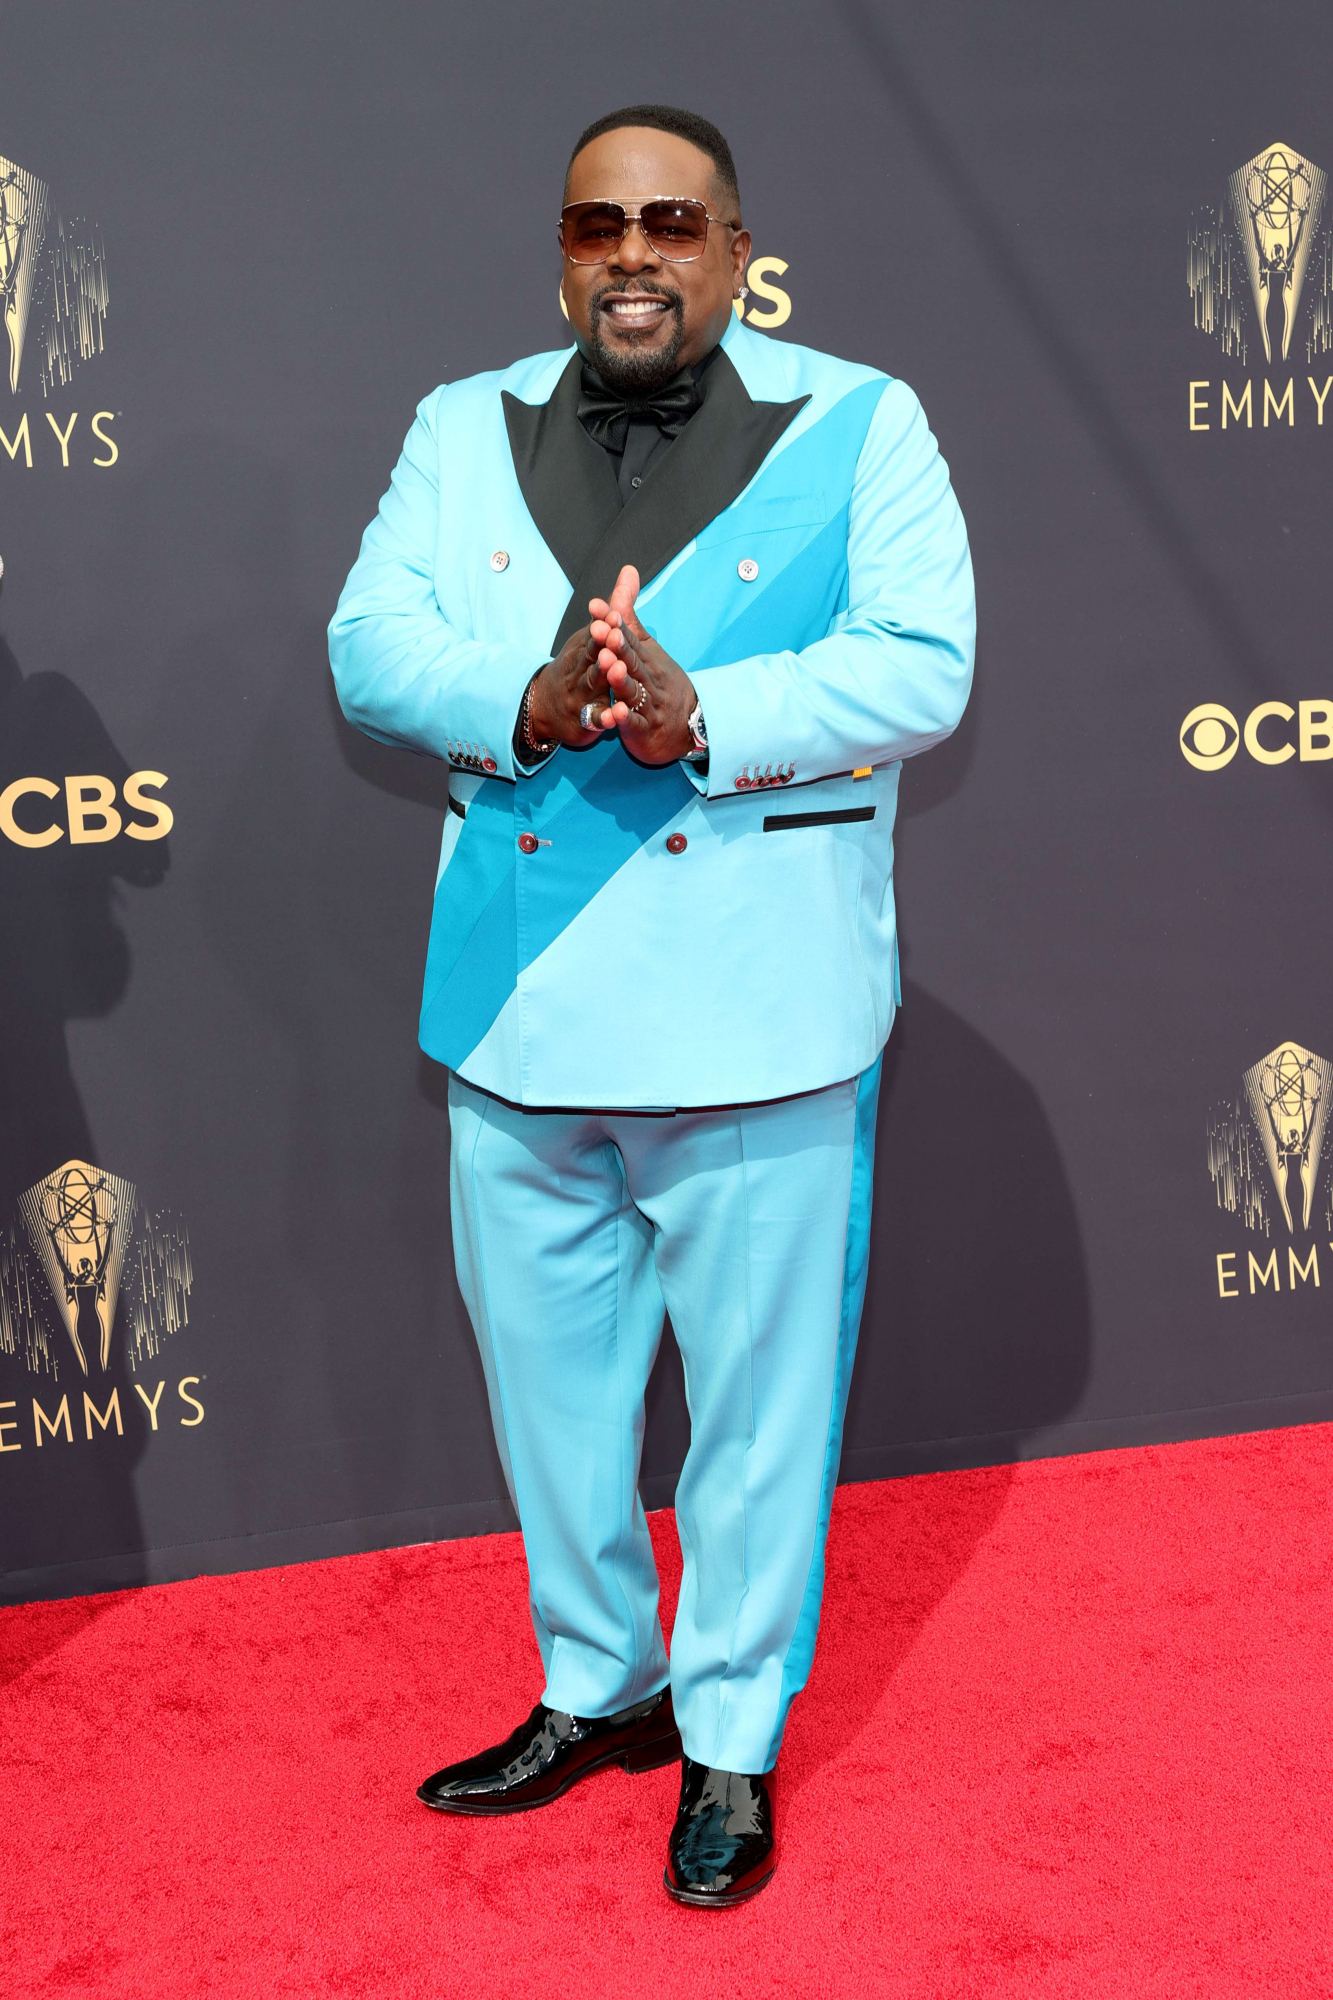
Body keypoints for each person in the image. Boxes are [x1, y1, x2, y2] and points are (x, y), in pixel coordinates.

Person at [329, 102, 974, 1908]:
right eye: (597, 223)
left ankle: (733, 1745)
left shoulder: (860, 419)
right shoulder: (463, 426)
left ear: (734, 243)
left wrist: (715, 717)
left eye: (670, 221)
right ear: (561, 249)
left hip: (763, 1015)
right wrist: (523, 702)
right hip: (514, 1012)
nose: (631, 252)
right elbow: (368, 645)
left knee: (761, 1413)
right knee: (551, 1404)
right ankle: (598, 1683)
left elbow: (923, 660)